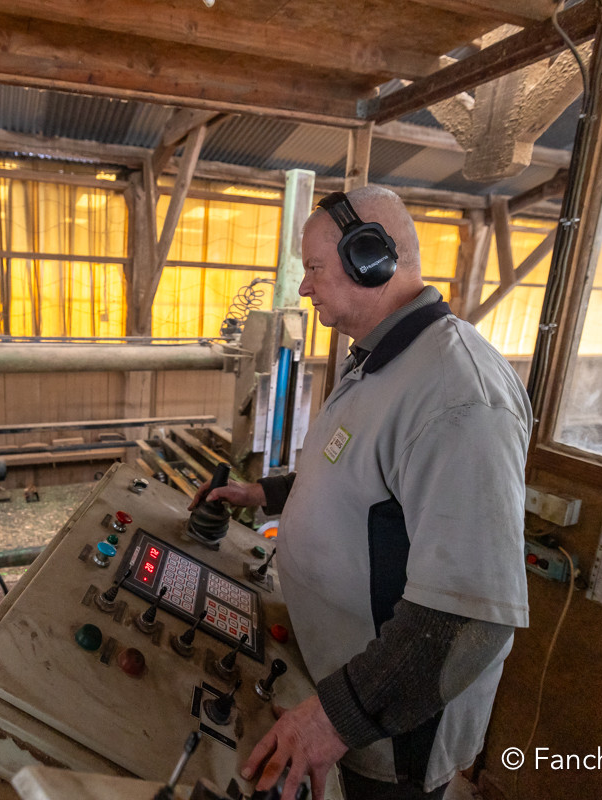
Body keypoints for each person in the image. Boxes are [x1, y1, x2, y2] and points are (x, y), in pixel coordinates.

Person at [189, 186, 531, 800]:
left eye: (315, 269)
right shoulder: (382, 361)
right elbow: (366, 481)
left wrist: (334, 718)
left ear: (372, 258)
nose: (304, 287)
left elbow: (469, 617)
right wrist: (264, 494)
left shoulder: (458, 396)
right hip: (341, 682)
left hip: (393, 723)